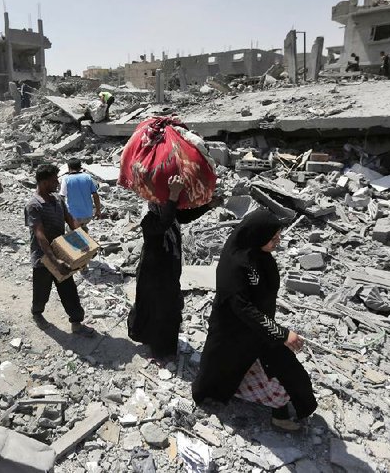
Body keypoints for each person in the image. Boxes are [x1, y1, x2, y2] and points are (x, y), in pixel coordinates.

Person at [191, 210, 317, 431]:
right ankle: (278, 414)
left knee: (287, 370)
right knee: (267, 373)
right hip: (236, 336)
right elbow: (243, 308)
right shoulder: (237, 264)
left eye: (278, 236)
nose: (277, 242)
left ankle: (281, 408)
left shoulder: (256, 253)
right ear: (258, 235)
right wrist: (281, 333)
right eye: (273, 237)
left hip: (257, 331)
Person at [127, 176, 217, 362]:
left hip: (168, 272)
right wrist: (174, 194)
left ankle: (159, 343)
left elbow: (182, 216)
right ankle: (160, 350)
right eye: (167, 200)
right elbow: (165, 222)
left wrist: (209, 205)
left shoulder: (168, 214)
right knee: (161, 310)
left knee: (166, 308)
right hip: (154, 276)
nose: (170, 204)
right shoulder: (150, 220)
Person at [24, 164, 95, 337]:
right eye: (54, 179)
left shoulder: (57, 199)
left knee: (69, 290)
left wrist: (85, 243)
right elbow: (40, 235)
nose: (57, 182)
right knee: (42, 291)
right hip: (43, 258)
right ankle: (37, 313)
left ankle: (76, 323)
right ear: (44, 182)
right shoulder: (34, 206)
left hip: (62, 253)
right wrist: (55, 261)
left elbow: (71, 221)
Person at [60, 158, 101, 232]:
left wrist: (62, 214)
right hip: (88, 215)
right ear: (80, 167)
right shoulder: (87, 177)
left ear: (69, 168)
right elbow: (95, 195)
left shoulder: (66, 179)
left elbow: (62, 197)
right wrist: (98, 210)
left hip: (73, 216)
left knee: (72, 233)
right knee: (82, 230)